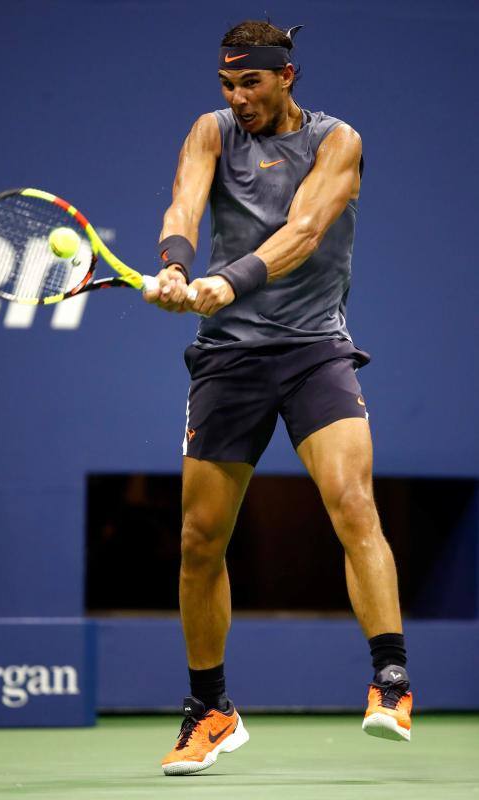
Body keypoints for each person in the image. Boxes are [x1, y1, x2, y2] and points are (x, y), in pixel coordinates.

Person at [143, 19, 412, 777]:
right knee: (199, 541)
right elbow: (183, 205)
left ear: (285, 77)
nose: (237, 99)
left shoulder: (337, 142)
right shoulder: (211, 130)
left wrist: (224, 282)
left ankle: (389, 680)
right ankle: (211, 710)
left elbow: (300, 234)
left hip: (311, 350)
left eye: (249, 83)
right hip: (228, 358)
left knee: (351, 502)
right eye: (227, 85)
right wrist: (173, 264)